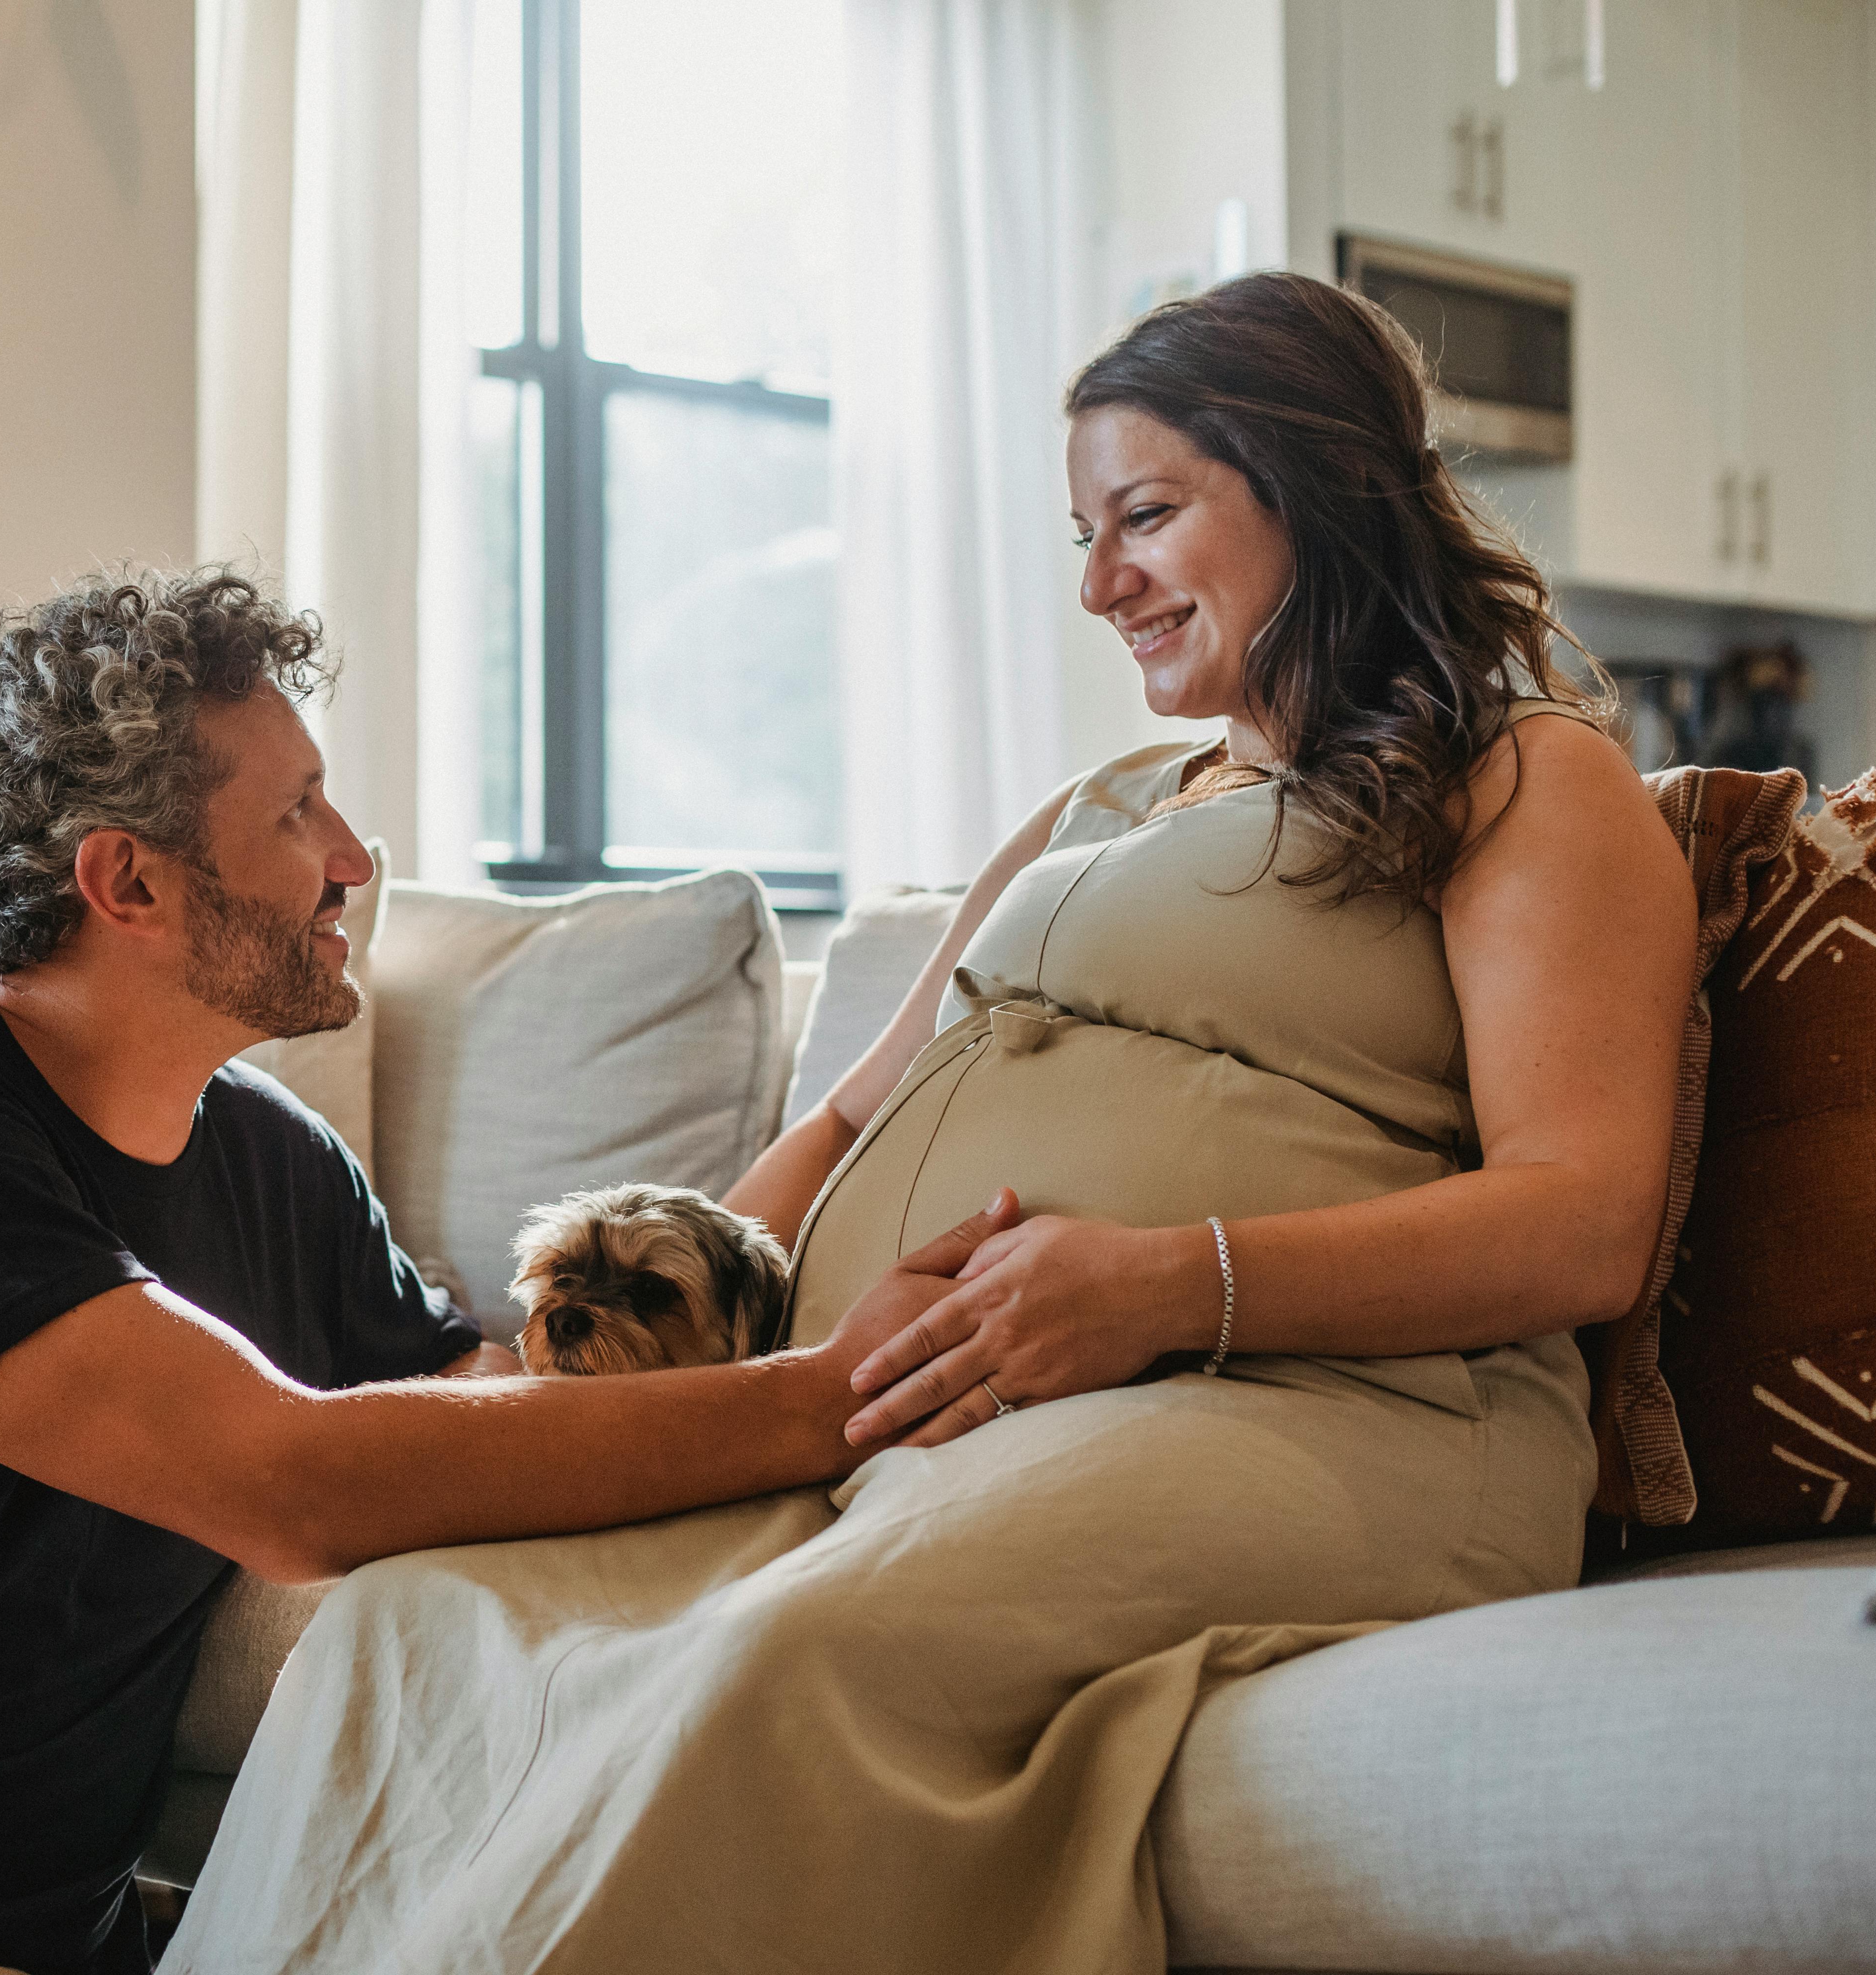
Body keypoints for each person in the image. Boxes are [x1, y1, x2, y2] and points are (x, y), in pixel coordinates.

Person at [159, 273, 1697, 1974]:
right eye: (1083, 535)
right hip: (908, 1406)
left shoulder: (1527, 780)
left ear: (1316, 483)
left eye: (1148, 517)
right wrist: (717, 1382)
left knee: (785, 1662)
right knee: (411, 1617)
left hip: (1318, 1409)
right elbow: (855, 1107)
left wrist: (1169, 1286)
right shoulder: (1103, 807)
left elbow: (1580, 1216)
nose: (1104, 583)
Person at [0, 570, 1011, 1975]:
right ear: (127, 881)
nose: (355, 854)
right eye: (295, 811)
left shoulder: (273, 1162)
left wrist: (867, 1092)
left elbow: (501, 1409)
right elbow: (289, 1481)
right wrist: (827, 1402)